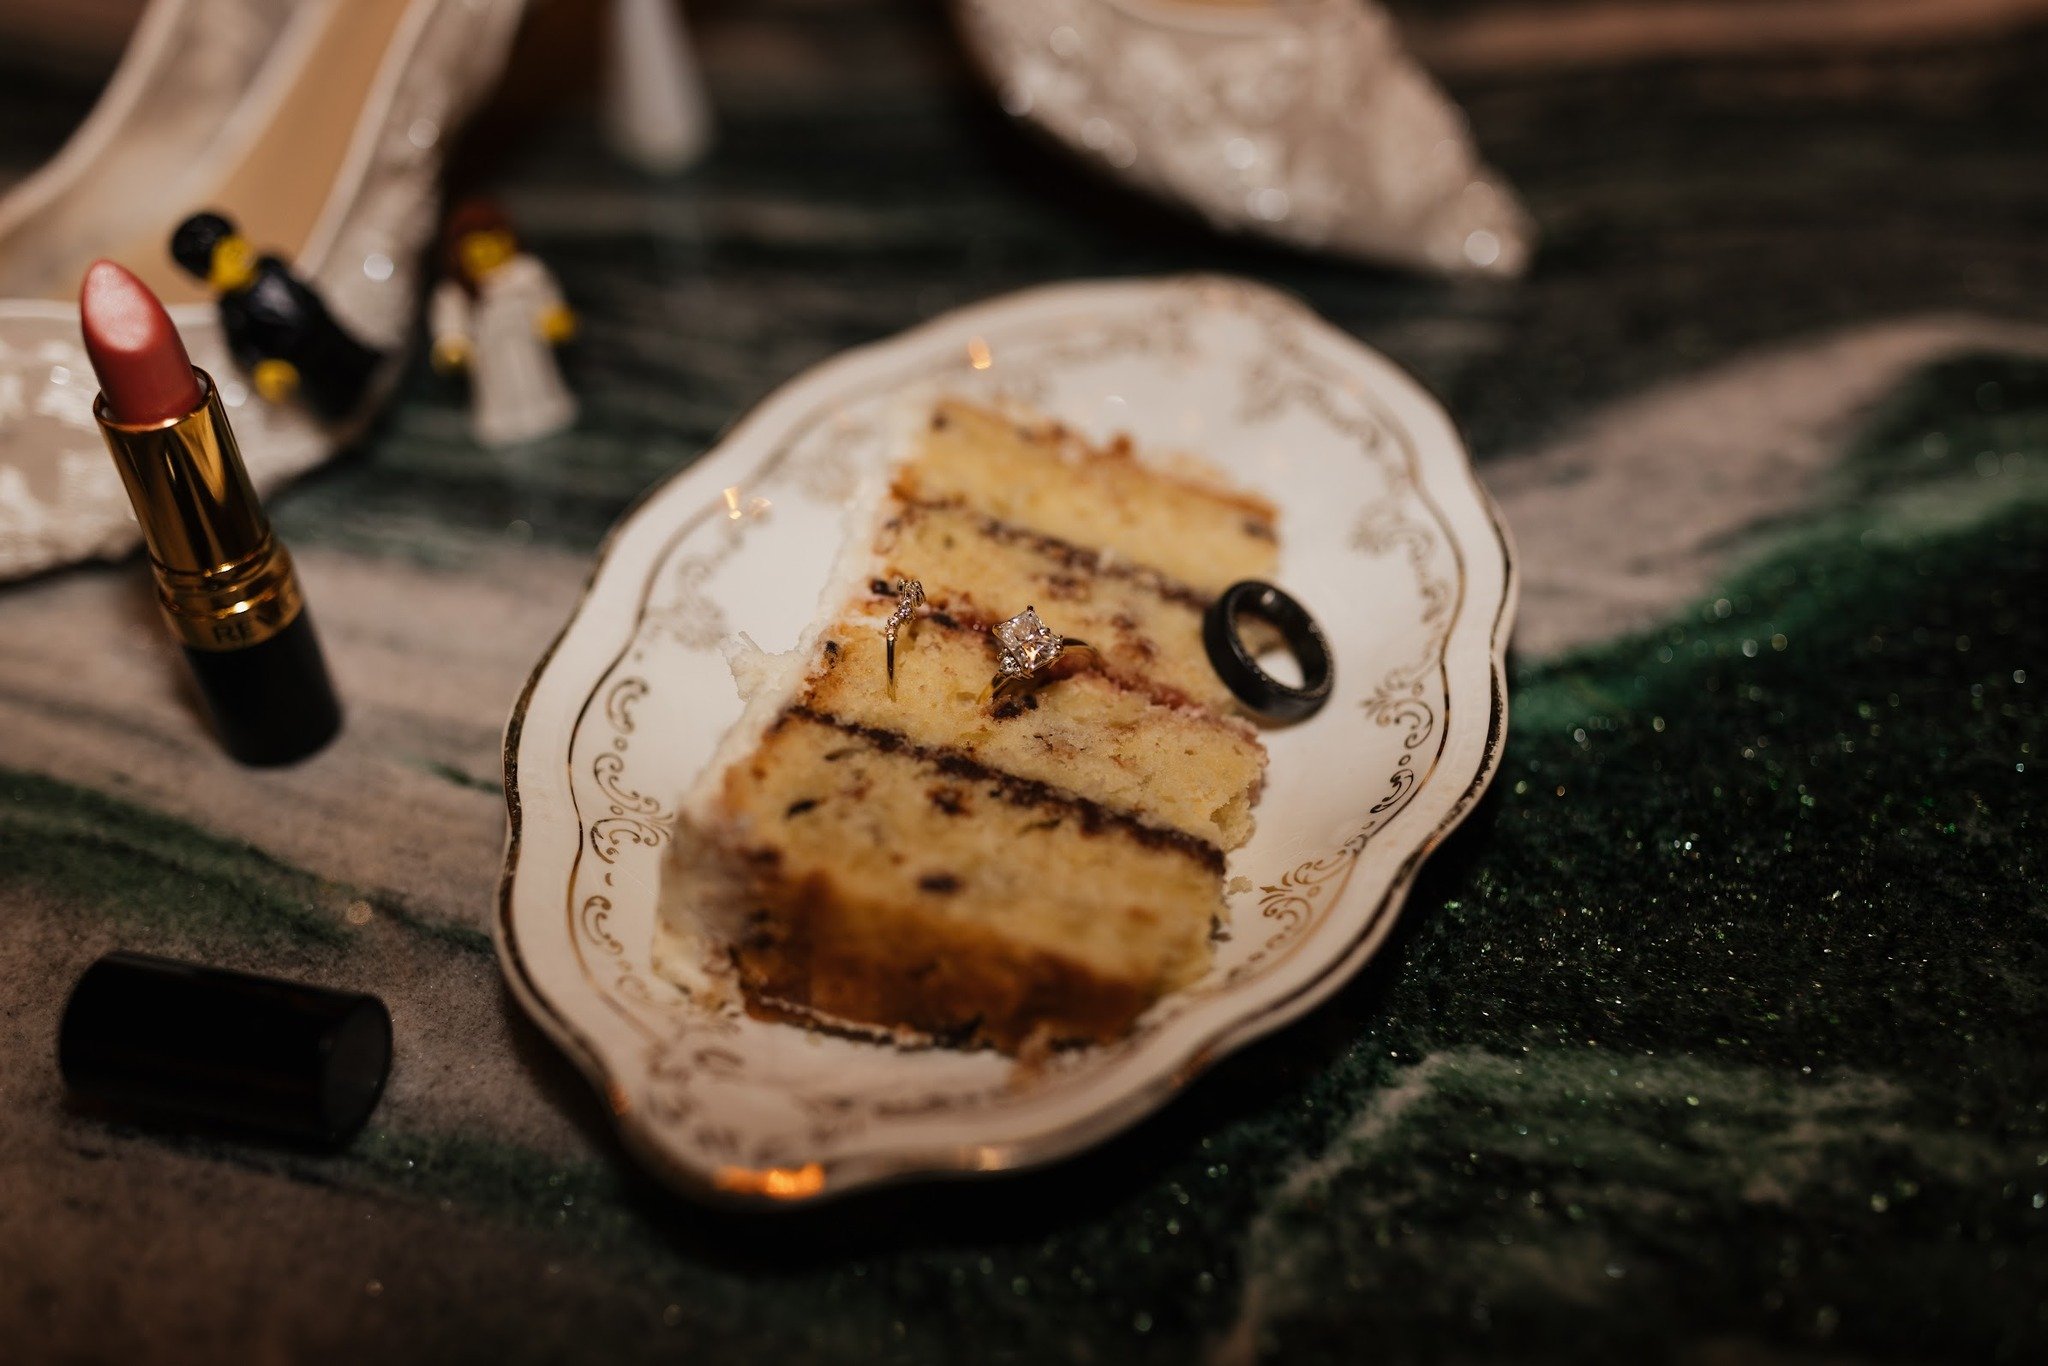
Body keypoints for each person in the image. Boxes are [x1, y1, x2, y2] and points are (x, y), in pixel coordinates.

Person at [168, 211, 380, 423]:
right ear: (209, 277)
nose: (237, 253)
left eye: (234, 243)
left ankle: (367, 364)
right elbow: (242, 346)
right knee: (328, 384)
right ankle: (341, 409)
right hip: (298, 353)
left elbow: (298, 286)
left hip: (322, 325)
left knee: (350, 351)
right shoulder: (233, 309)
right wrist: (262, 367)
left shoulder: (271, 263)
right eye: (224, 257)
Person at [430, 200, 577, 447]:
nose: (488, 249)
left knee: (534, 378)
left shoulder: (527, 273)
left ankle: (546, 409)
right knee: (501, 390)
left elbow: (548, 302)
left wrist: (554, 319)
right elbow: (450, 326)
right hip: (490, 356)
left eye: (494, 239)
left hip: (527, 344)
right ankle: (504, 421)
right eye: (477, 243)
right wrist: (453, 346)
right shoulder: (456, 293)